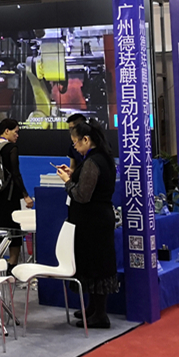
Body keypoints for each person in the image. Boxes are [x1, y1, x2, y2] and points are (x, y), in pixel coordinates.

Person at [55, 120, 118, 328]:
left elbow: (82, 195)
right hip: (97, 219)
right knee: (93, 265)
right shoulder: (102, 158)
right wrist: (73, 174)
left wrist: (67, 181)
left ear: (86, 139)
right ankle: (93, 308)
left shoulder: (93, 161)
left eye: (75, 142)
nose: (74, 146)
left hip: (93, 221)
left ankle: (100, 314)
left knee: (96, 266)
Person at [0, 118, 33, 270]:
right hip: (8, 197)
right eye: (15, 132)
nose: (17, 135)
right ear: (6, 131)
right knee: (13, 232)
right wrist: (25, 195)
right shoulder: (11, 148)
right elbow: (15, 174)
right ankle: (12, 265)